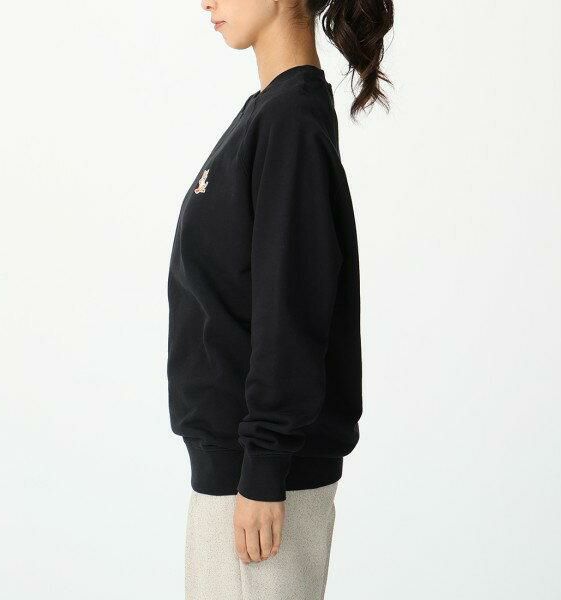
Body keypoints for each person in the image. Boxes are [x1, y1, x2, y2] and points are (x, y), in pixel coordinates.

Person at [166, 0, 393, 597]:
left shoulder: (289, 121)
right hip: (240, 473)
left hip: (261, 484)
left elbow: (291, 304)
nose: (206, 1)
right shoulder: (271, 114)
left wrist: (264, 469)